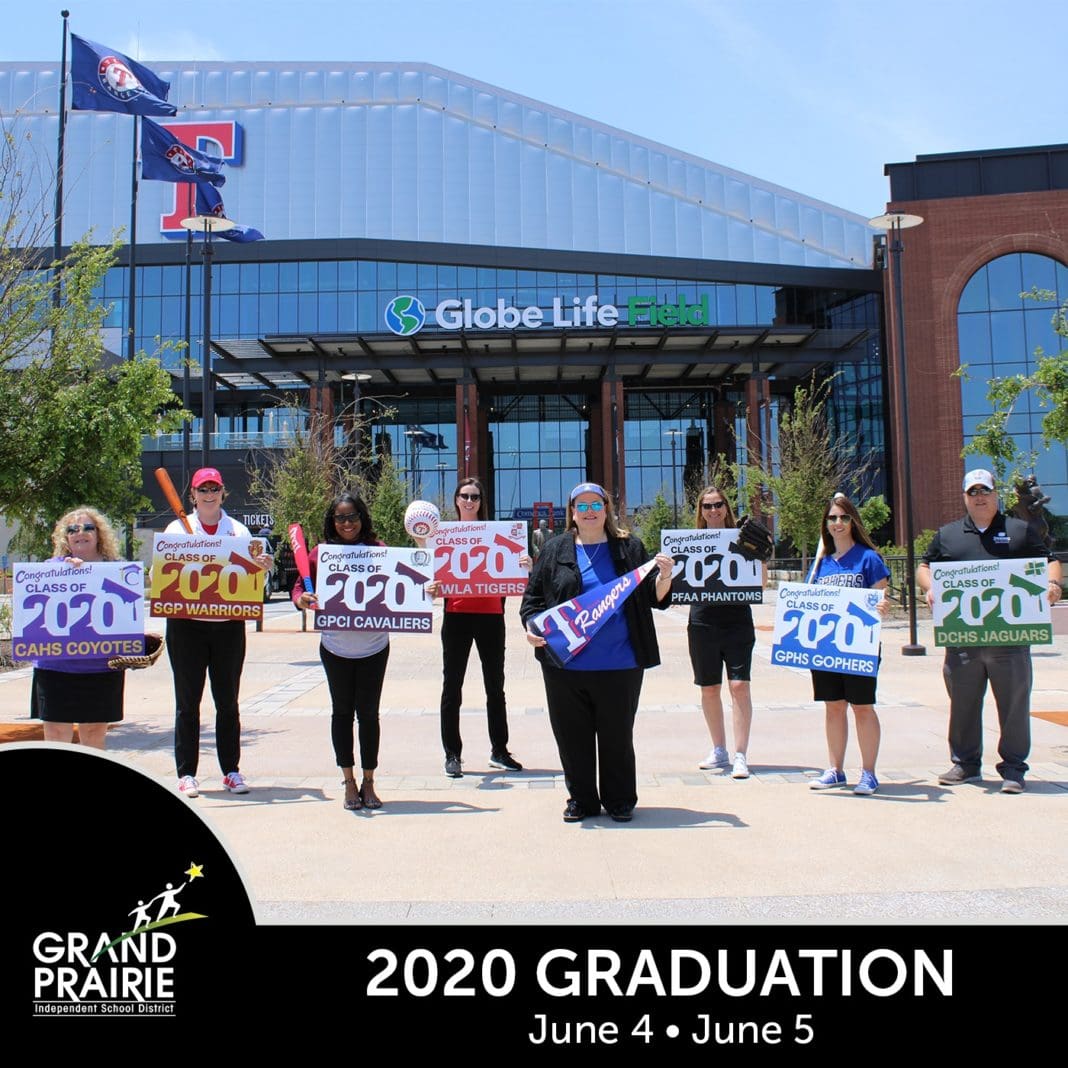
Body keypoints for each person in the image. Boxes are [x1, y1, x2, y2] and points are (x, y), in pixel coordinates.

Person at [520, 483, 674, 822]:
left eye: (596, 505)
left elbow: (654, 597)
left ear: (606, 509)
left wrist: (665, 576)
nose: (589, 511)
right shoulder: (555, 549)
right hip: (565, 666)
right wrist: (531, 627)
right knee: (571, 737)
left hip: (621, 663)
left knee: (617, 736)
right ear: (572, 512)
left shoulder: (630, 548)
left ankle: (620, 800)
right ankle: (581, 800)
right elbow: (533, 600)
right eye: (582, 505)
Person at [917, 469, 1062, 793]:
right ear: (964, 497)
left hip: (1010, 639)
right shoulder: (948, 535)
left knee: (1013, 706)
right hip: (963, 639)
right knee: (963, 705)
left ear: (996, 494)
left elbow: (1049, 561)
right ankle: (966, 765)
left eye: (985, 490)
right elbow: (924, 567)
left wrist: (1053, 584)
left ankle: (1013, 769)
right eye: (973, 491)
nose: (979, 496)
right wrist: (930, 587)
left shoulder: (1019, 531)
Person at [166, 467, 272, 797]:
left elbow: (252, 581)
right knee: (187, 702)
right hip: (186, 627)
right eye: (203, 489)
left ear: (223, 493)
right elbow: (165, 576)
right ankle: (187, 773)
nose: (209, 494)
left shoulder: (239, 532)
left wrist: (263, 568)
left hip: (228, 628)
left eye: (214, 489)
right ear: (193, 495)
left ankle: (231, 771)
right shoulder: (176, 530)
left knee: (227, 702)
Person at [294, 492, 390, 810]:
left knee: (370, 716)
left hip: (374, 647)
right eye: (340, 518)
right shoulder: (321, 553)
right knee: (342, 714)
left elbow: (401, 586)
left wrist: (425, 590)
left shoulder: (379, 550)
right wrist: (301, 599)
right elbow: (300, 586)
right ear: (332, 521)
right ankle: (348, 782)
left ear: (362, 518)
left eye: (352, 516)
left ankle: (369, 781)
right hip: (335, 647)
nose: (347, 523)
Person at [431, 476, 526, 778]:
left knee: (495, 687)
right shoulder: (443, 535)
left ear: (482, 502)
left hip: (490, 615)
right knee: (452, 687)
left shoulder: (496, 533)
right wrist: (430, 585)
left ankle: (500, 750)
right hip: (456, 615)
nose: (470, 501)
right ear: (456, 500)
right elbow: (429, 573)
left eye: (475, 496)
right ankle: (452, 754)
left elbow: (514, 571)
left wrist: (524, 564)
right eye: (465, 496)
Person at [807, 494, 890, 796]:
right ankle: (835, 769)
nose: (838, 523)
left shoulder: (868, 558)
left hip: (859, 646)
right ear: (826, 524)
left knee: (862, 707)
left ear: (853, 521)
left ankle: (868, 773)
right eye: (832, 518)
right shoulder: (821, 564)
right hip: (827, 647)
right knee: (833, 707)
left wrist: (882, 607)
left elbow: (881, 597)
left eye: (843, 517)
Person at [687, 486, 766, 780]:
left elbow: (759, 584)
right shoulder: (690, 542)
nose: (713, 510)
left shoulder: (743, 539)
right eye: (707, 506)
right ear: (700, 511)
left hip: (737, 620)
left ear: (726, 507)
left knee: (739, 686)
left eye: (718, 504)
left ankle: (741, 754)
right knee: (709, 687)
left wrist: (761, 557)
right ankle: (719, 748)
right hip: (703, 621)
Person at [32, 507, 126, 749]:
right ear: (66, 537)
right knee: (56, 736)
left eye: (87, 528)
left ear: (99, 534)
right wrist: (65, 574)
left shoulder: (118, 569)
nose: (80, 533)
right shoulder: (50, 568)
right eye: (72, 529)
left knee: (94, 736)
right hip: (55, 667)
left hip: (101, 667)